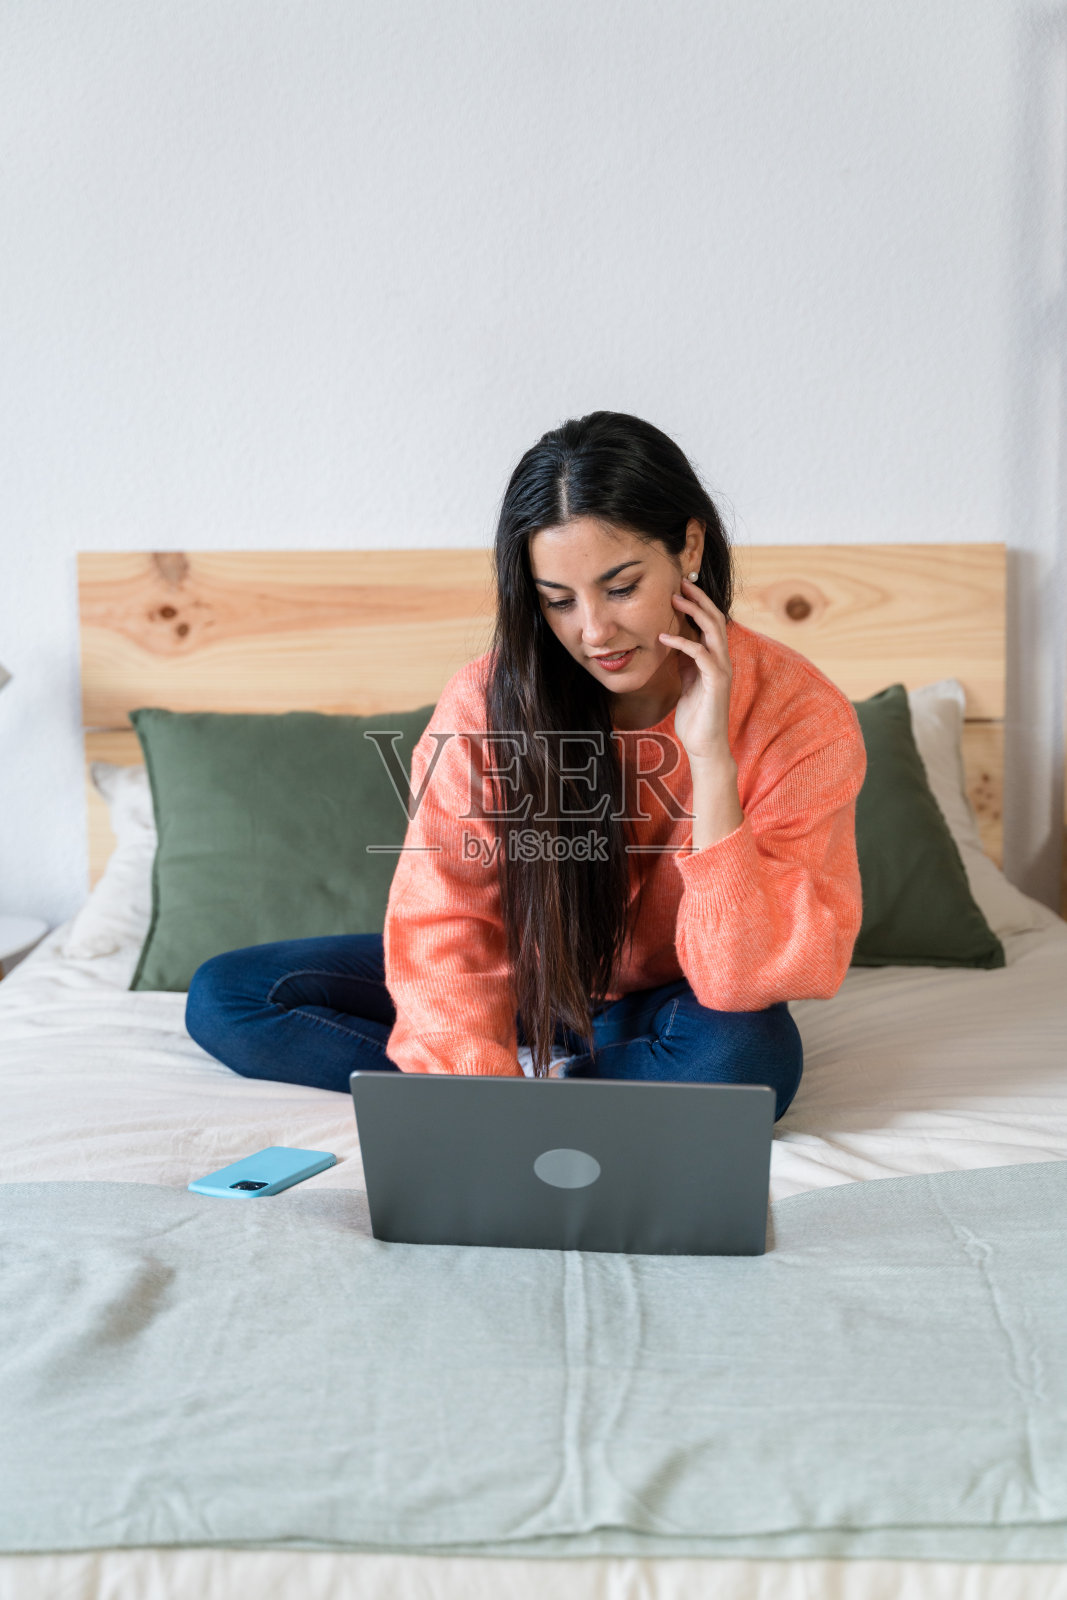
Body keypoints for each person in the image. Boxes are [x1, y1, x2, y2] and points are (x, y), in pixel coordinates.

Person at [186, 411, 867, 1121]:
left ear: (688, 545)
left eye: (621, 586)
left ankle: (510, 1075)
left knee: (745, 1059)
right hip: (522, 983)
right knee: (229, 996)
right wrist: (479, 1086)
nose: (593, 632)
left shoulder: (799, 713)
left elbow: (741, 977)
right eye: (558, 602)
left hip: (673, 999)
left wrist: (710, 760)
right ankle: (531, 1078)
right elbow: (445, 915)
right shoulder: (486, 701)